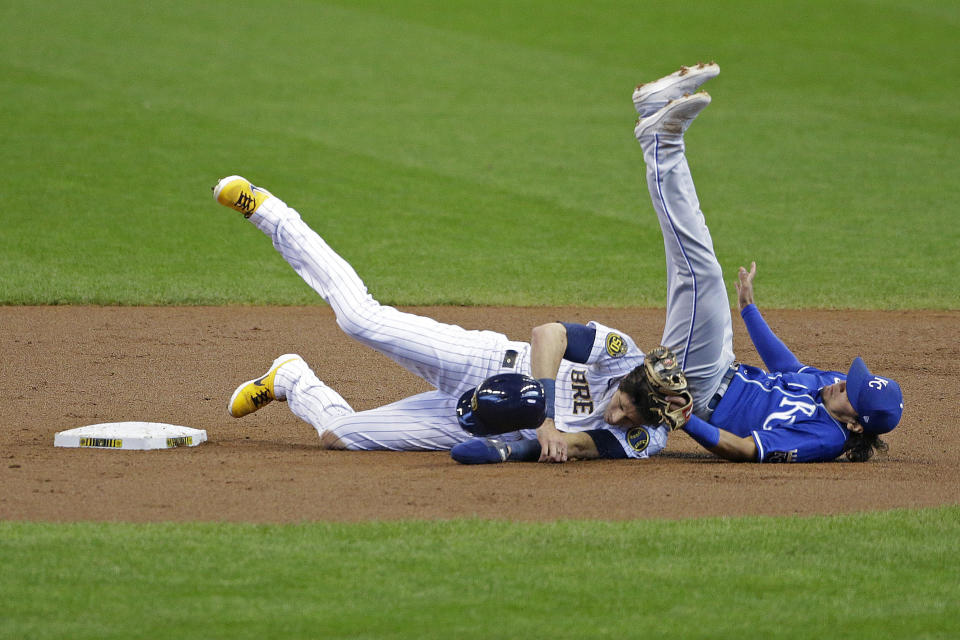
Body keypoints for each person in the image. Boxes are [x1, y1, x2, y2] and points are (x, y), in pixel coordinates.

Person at [456, 62, 904, 463]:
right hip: (721, 364)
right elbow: (787, 366)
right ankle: (661, 131)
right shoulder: (829, 384)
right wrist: (749, 311)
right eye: (855, 379)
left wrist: (686, 419)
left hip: (699, 389)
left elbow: (745, 449)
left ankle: (662, 138)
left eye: (853, 392)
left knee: (700, 269)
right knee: (698, 262)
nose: (846, 383)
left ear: (856, 426)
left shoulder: (823, 438)